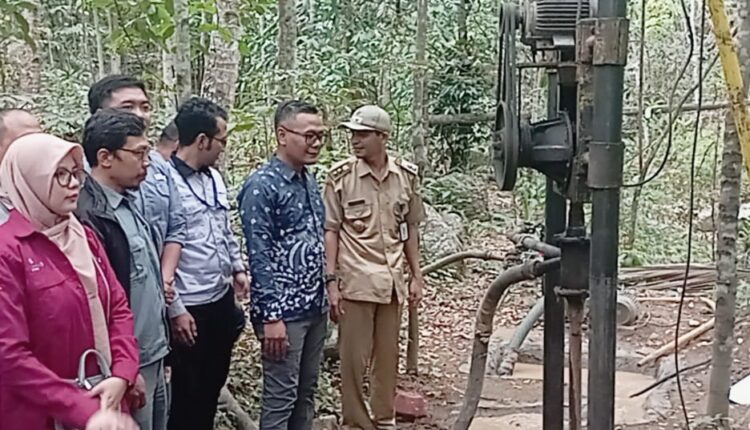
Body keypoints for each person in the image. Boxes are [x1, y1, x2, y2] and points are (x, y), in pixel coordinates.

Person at [0, 133, 140, 430]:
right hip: (40, 415)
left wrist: (123, 371)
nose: (74, 183)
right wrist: (80, 408)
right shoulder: (8, 251)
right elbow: (8, 354)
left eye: (76, 173)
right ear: (29, 180)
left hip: (104, 399)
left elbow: (117, 306)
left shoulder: (82, 235)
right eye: (60, 175)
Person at [322, 105, 426, 430]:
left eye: (363, 134)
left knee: (387, 358)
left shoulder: (405, 176)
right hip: (356, 281)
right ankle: (356, 422)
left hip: (391, 281)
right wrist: (331, 282)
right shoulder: (341, 178)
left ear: (383, 137)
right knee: (353, 361)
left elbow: (410, 229)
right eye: (352, 134)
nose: (355, 140)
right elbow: (330, 230)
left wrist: (416, 276)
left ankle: (384, 419)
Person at [75, 109, 172, 430]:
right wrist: (123, 368)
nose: (147, 163)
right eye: (138, 154)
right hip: (129, 362)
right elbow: (99, 303)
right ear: (105, 157)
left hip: (154, 352)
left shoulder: (128, 201)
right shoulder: (88, 216)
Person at [238, 100, 328, 430]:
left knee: (306, 394)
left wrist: (329, 288)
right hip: (283, 314)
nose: (316, 143)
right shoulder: (262, 186)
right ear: (282, 135)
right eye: (309, 136)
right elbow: (259, 254)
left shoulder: (308, 180)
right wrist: (272, 317)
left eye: (321, 136)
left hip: (314, 307)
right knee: (281, 399)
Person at [167, 97, 249, 430]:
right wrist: (176, 309)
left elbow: (223, 227)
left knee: (211, 387)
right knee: (186, 393)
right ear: (202, 140)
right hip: (189, 305)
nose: (223, 149)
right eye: (221, 141)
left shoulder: (214, 177)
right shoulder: (164, 182)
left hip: (220, 297)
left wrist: (237, 267)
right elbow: (160, 251)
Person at [87, 75, 186, 307]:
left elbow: (176, 225)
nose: (140, 115)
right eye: (128, 107)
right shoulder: (82, 176)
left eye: (145, 107)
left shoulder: (158, 165)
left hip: (159, 296)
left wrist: (165, 282)